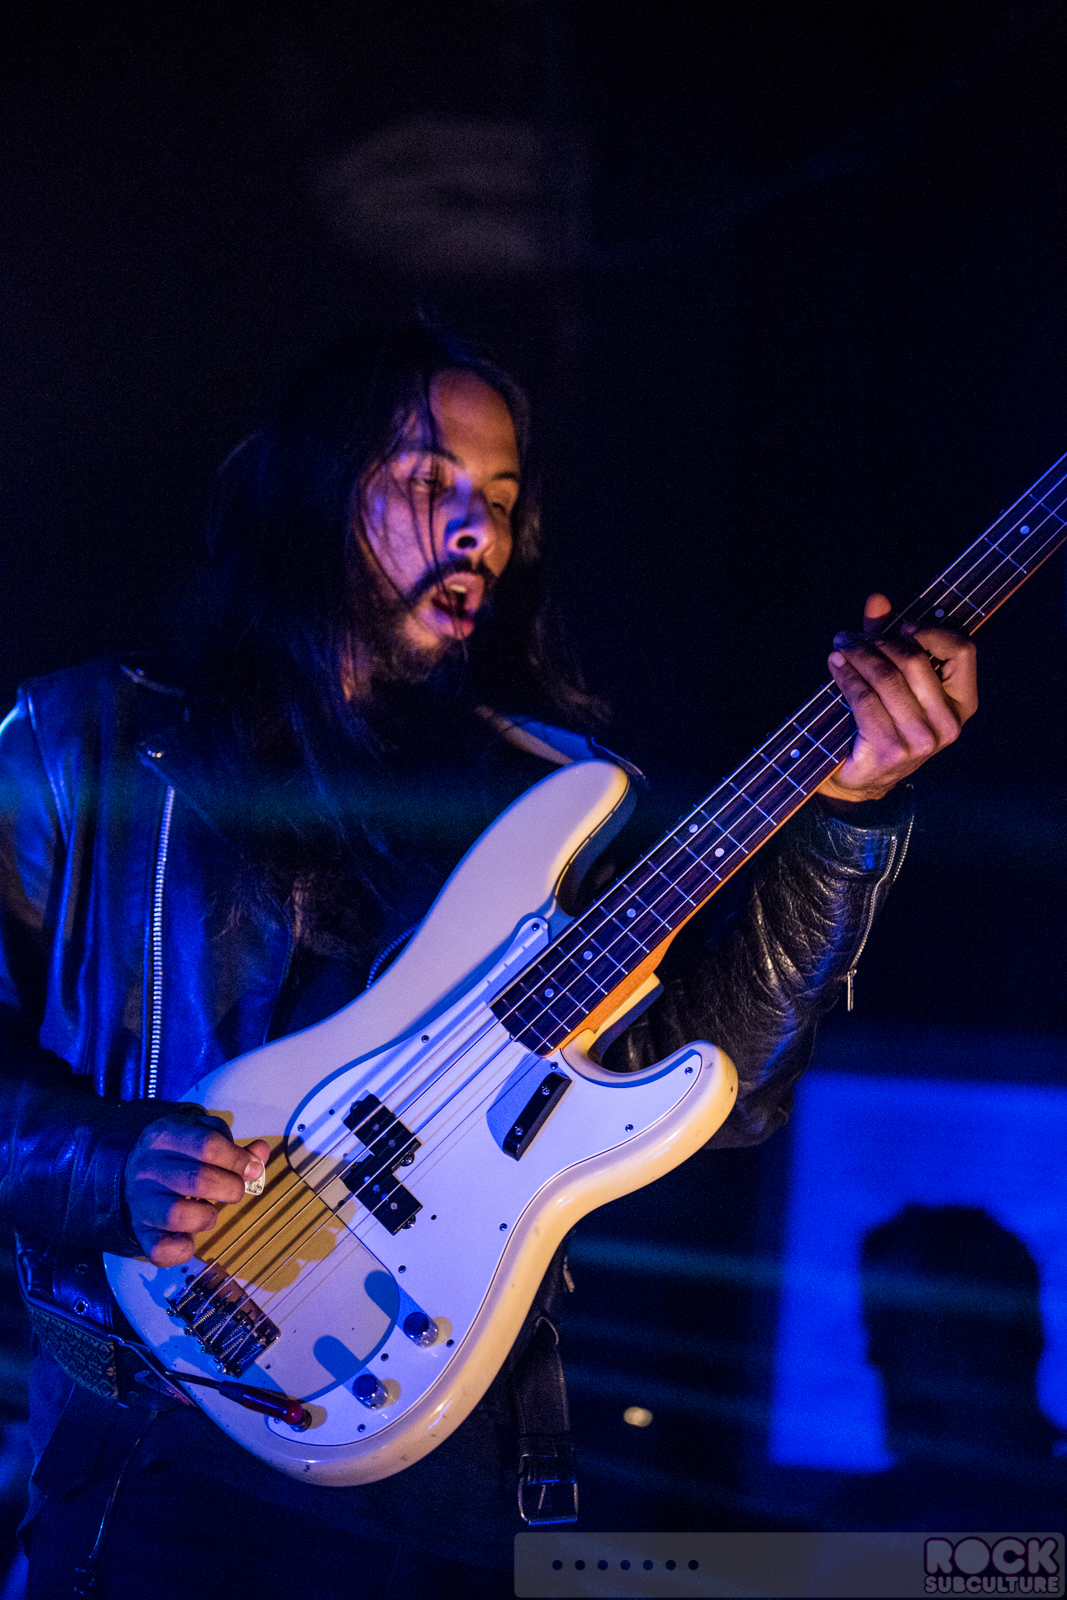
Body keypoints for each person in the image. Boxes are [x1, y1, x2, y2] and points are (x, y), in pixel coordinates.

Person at [0, 326, 977, 1598]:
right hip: (163, 1450)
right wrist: (104, 1163)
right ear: (309, 488)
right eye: (428, 481)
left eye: (502, 501)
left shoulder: (550, 796)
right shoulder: (80, 742)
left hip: (451, 1480)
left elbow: (719, 1089)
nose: (476, 529)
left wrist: (844, 812)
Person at [832, 1203, 1067, 1531]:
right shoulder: (858, 1521)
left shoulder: (859, 1527)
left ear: (992, 1330)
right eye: (875, 1329)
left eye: (897, 1326)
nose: (872, 1357)